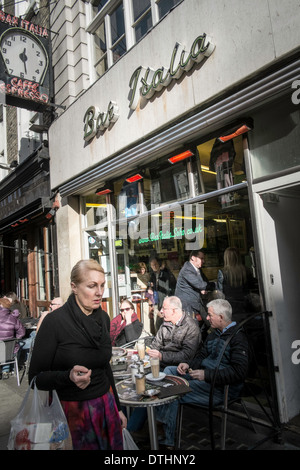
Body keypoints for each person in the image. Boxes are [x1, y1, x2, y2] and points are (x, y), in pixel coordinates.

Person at [29, 259, 127, 450]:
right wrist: (67, 377)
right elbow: (35, 378)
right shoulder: (54, 323)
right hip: (72, 413)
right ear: (74, 287)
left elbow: (105, 366)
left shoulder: (104, 317)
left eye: (102, 285)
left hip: (105, 407)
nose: (99, 292)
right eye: (92, 286)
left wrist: (118, 409)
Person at [155, 299, 249, 449]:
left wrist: (206, 375)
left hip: (220, 388)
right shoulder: (214, 334)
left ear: (221, 317)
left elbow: (239, 372)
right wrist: (188, 365)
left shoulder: (237, 337)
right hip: (204, 379)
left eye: (210, 315)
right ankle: (162, 423)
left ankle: (167, 439)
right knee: (169, 372)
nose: (207, 318)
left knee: (174, 390)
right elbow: (201, 356)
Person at [148, 296, 201, 369]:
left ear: (174, 311)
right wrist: (150, 353)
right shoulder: (165, 323)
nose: (161, 311)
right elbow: (155, 344)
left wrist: (162, 356)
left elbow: (186, 356)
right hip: (159, 364)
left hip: (178, 368)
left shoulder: (191, 327)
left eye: (164, 308)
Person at [175, 250, 215, 326]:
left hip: (197, 304)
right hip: (188, 307)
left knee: (208, 324)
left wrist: (204, 288)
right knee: (194, 329)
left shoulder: (198, 269)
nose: (204, 261)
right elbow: (201, 284)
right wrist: (215, 285)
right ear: (193, 258)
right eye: (201, 258)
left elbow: (205, 282)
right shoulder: (187, 269)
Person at [217, 247, 255, 319]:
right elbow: (251, 286)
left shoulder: (222, 272)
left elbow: (220, 292)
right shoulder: (246, 270)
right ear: (238, 257)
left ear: (226, 258)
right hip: (245, 305)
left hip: (230, 306)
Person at [147, 257, 177, 332]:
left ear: (158, 264)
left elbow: (169, 287)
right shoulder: (153, 275)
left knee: (163, 321)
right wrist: (149, 287)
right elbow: (149, 283)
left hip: (165, 301)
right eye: (152, 265)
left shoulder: (164, 273)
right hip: (158, 301)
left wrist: (167, 298)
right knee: (158, 322)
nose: (154, 266)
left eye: (155, 264)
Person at [0, 297, 25, 378]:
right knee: (13, 346)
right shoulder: (13, 319)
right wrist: (15, 339)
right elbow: (22, 332)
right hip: (9, 350)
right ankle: (6, 370)